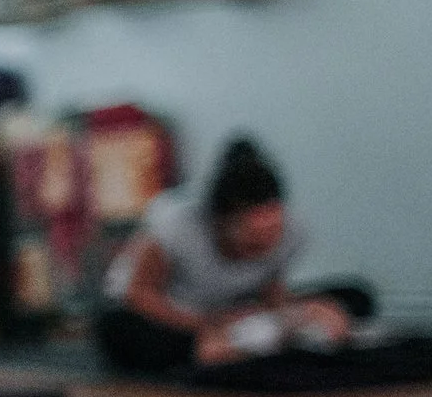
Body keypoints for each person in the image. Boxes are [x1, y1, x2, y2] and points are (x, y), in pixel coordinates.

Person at [96, 135, 362, 374]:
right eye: (253, 241)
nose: (266, 246)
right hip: (169, 311)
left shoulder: (292, 231)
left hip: (233, 307)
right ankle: (222, 347)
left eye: (273, 232)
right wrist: (206, 324)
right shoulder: (176, 226)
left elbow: (268, 285)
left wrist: (298, 313)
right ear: (220, 224)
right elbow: (139, 294)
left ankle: (244, 345)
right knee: (117, 328)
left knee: (354, 295)